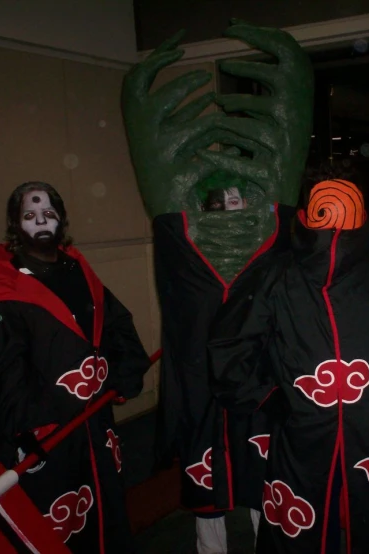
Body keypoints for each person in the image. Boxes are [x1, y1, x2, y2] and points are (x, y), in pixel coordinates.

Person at [208, 177, 369, 553]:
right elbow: (231, 343)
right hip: (303, 428)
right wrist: (265, 397)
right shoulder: (277, 274)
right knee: (299, 524)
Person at [0, 181, 151, 553]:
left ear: (62, 220)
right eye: (30, 215)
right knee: (52, 526)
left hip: (94, 425)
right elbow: (6, 370)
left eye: (49, 213)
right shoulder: (2, 285)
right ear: (15, 224)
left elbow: (116, 324)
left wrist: (122, 376)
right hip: (43, 435)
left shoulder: (77, 268)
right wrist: (34, 428)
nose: (41, 221)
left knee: (104, 514)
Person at [153, 170, 294, 554]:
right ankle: (211, 548)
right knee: (205, 466)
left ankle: (267, 541)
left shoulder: (267, 255)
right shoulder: (189, 254)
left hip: (255, 377)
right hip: (201, 380)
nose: (233, 210)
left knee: (258, 465)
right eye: (223, 203)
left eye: (239, 202)